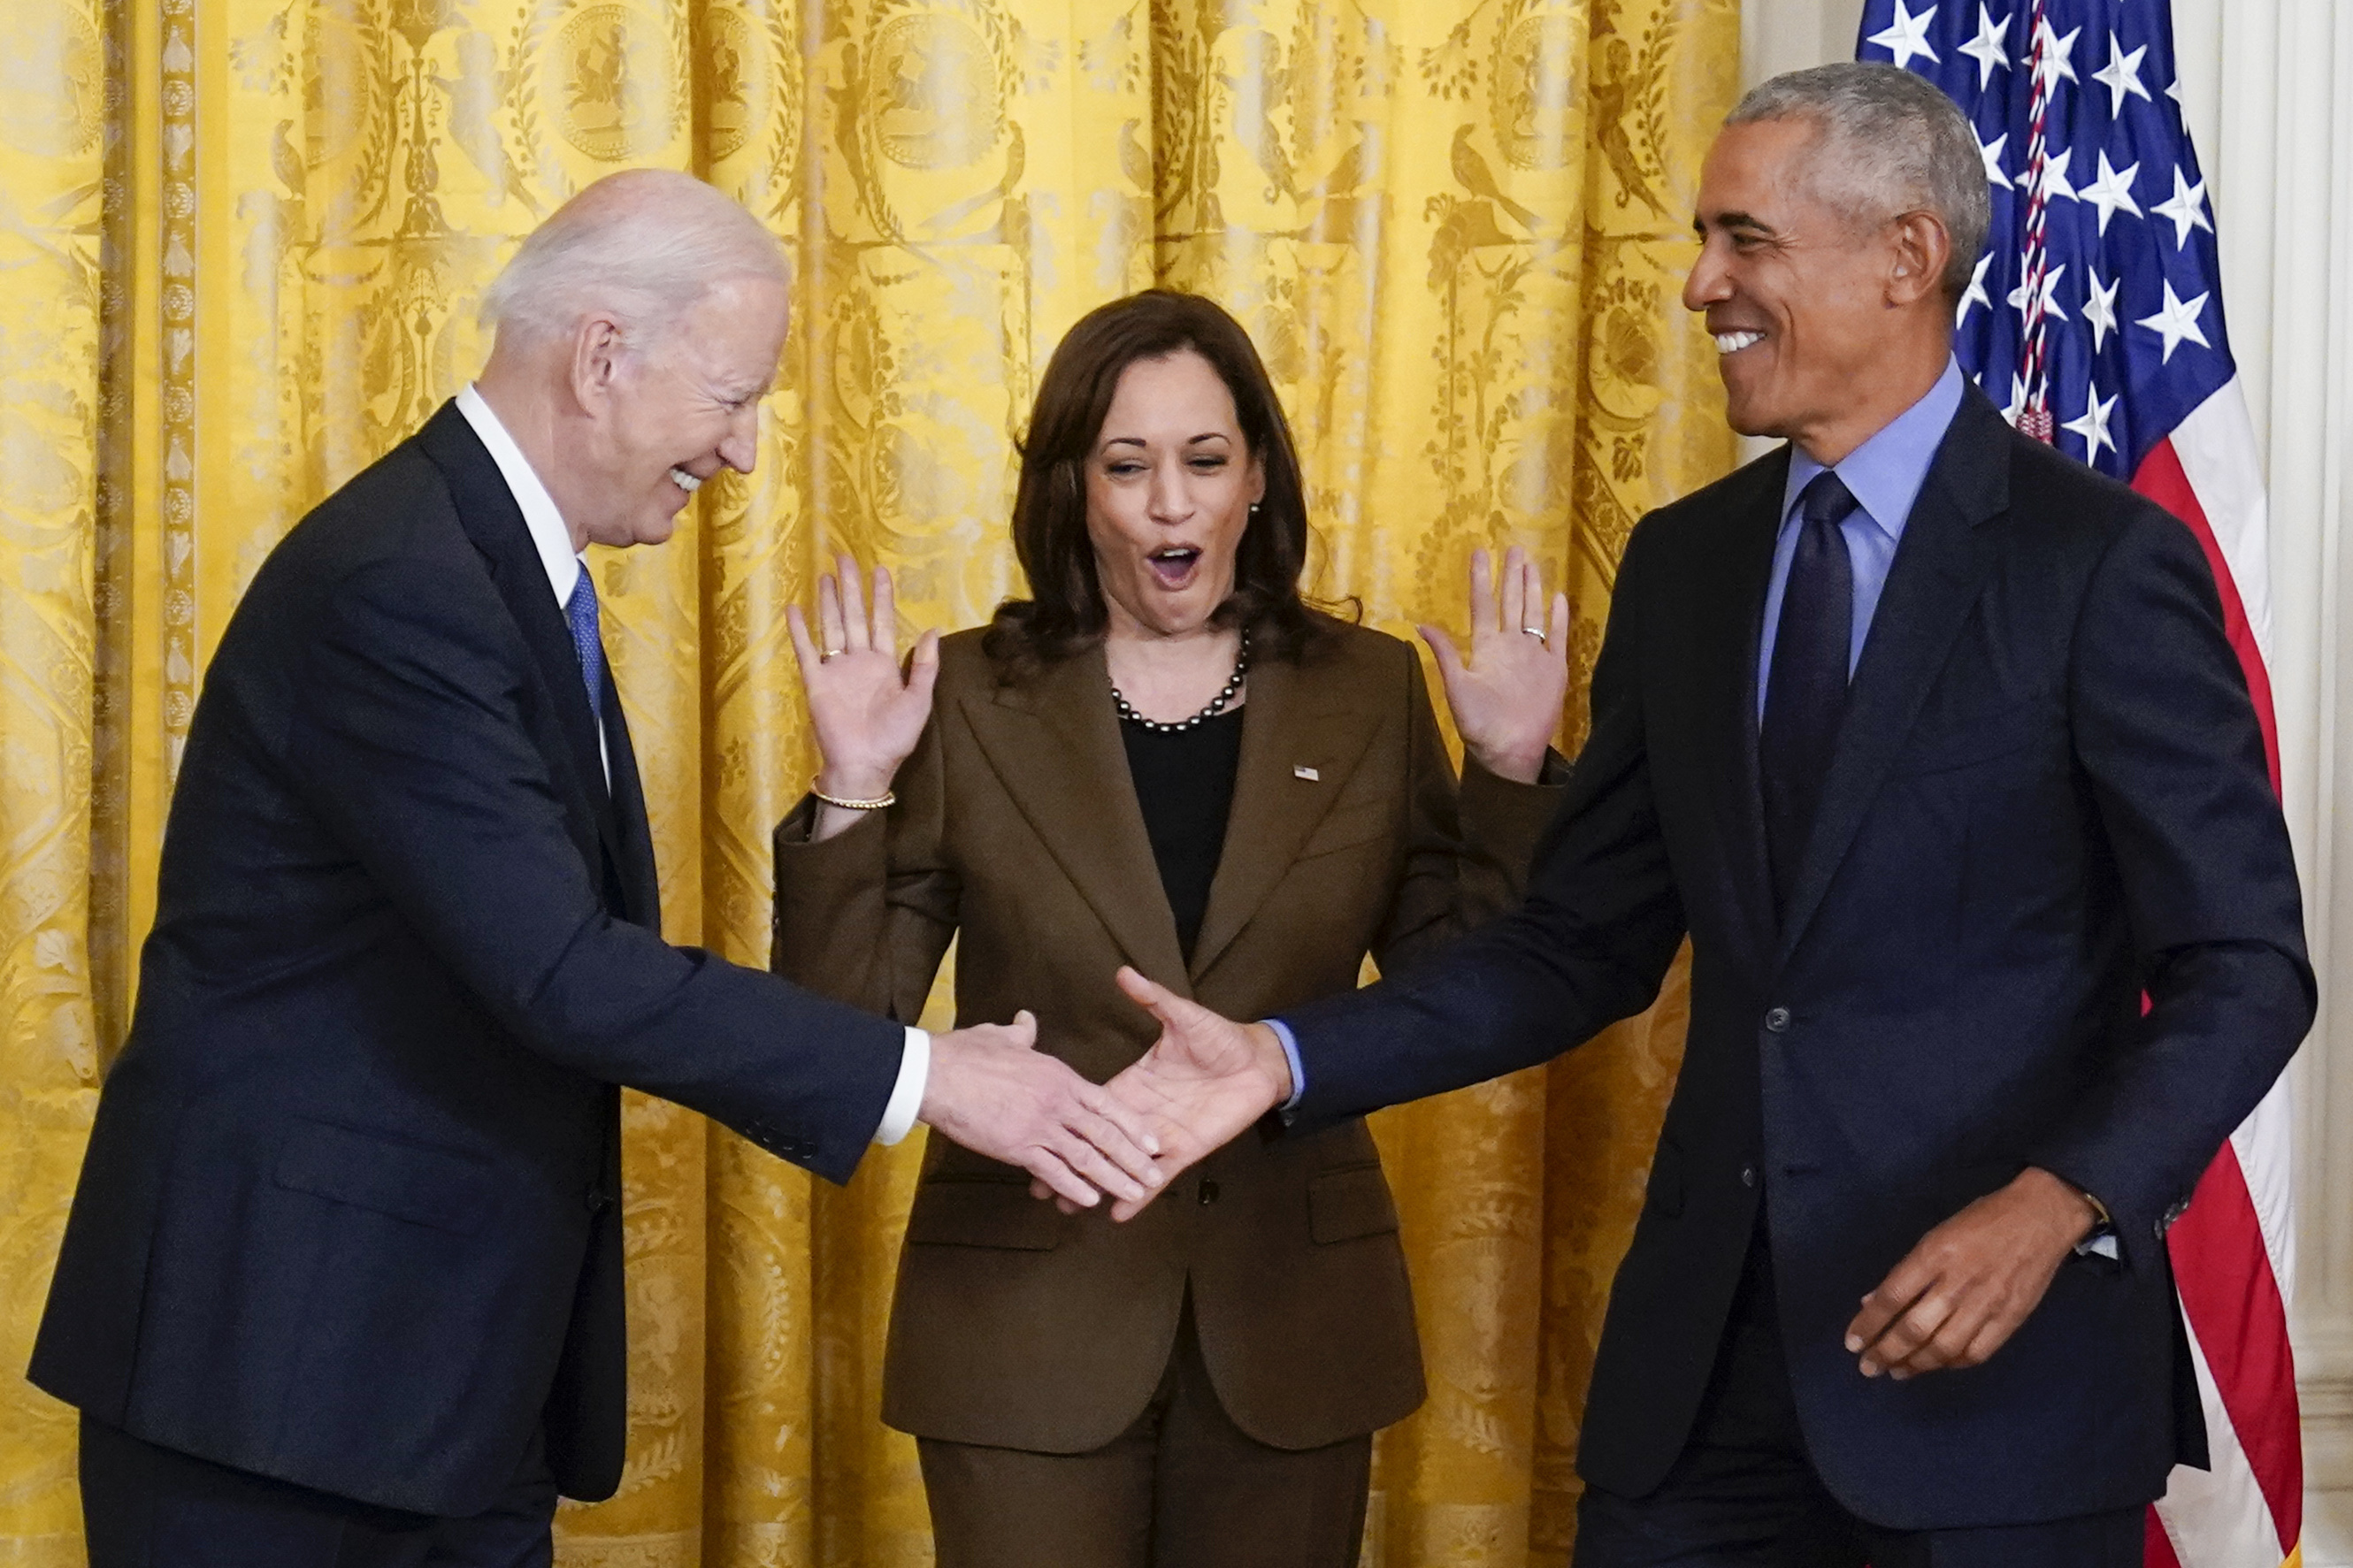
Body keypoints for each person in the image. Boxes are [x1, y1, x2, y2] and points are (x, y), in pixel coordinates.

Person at [1093, 64, 2314, 1568]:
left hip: (1999, 1386)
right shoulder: (1688, 566)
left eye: (1745, 242)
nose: (1697, 287)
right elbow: (1575, 945)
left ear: (1906, 257)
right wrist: (1284, 1056)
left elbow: (2246, 964)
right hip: (1702, 1392)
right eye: (1697, 239)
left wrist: (2062, 1201)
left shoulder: (2097, 567)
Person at [27, 170, 1161, 1568]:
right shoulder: (404, 581)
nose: (743, 453)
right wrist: (934, 1076)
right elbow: (559, 969)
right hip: (279, 1392)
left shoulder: (496, 565)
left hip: (438, 1385)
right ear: (604, 356)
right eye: (735, 397)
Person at [769, 288, 1571, 1567]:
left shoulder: (1367, 691)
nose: (1170, 504)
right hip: (1023, 1323)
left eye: (1204, 461)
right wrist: (855, 780)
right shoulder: (968, 691)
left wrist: (1513, 770)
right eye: (1127, 465)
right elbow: (836, 1034)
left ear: (1258, 476)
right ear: (1075, 489)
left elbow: (1463, 995)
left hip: (1293, 1322)